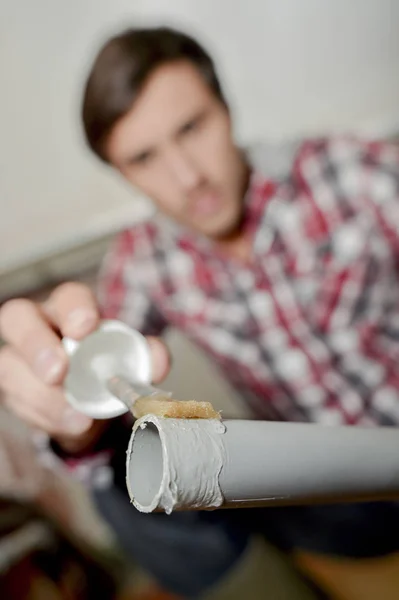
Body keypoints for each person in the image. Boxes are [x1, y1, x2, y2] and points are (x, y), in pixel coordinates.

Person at [1, 25, 399, 600]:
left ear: (226, 108)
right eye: (144, 158)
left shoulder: (351, 173)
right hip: (331, 507)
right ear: (123, 174)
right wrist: (71, 416)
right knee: (120, 480)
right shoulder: (143, 262)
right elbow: (90, 369)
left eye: (192, 128)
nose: (188, 178)